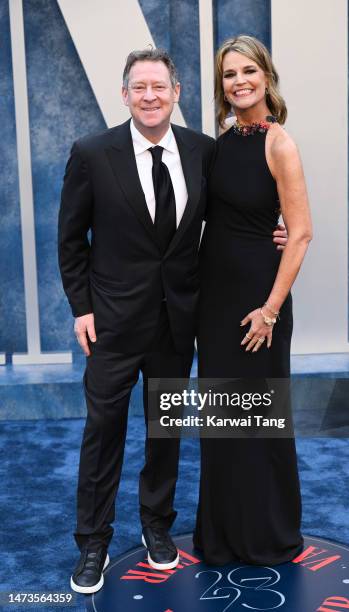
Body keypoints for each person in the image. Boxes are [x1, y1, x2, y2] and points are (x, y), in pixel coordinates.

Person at [58, 47, 288, 593]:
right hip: (111, 324)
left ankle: (156, 528)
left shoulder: (203, 152)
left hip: (177, 321)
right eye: (139, 87)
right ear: (125, 94)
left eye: (159, 86)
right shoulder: (92, 153)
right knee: (103, 432)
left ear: (177, 93)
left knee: (165, 433)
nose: (150, 96)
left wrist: (274, 227)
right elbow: (70, 241)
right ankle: (93, 543)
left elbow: (237, 207)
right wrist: (82, 308)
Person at [194, 35, 312, 565]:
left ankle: (268, 536)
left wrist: (270, 311)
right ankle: (222, 537)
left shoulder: (278, 142)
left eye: (247, 71)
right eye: (228, 74)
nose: (238, 81)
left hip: (258, 303)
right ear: (220, 86)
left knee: (260, 420)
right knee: (222, 420)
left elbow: (302, 232)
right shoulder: (219, 143)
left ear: (266, 75)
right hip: (214, 302)